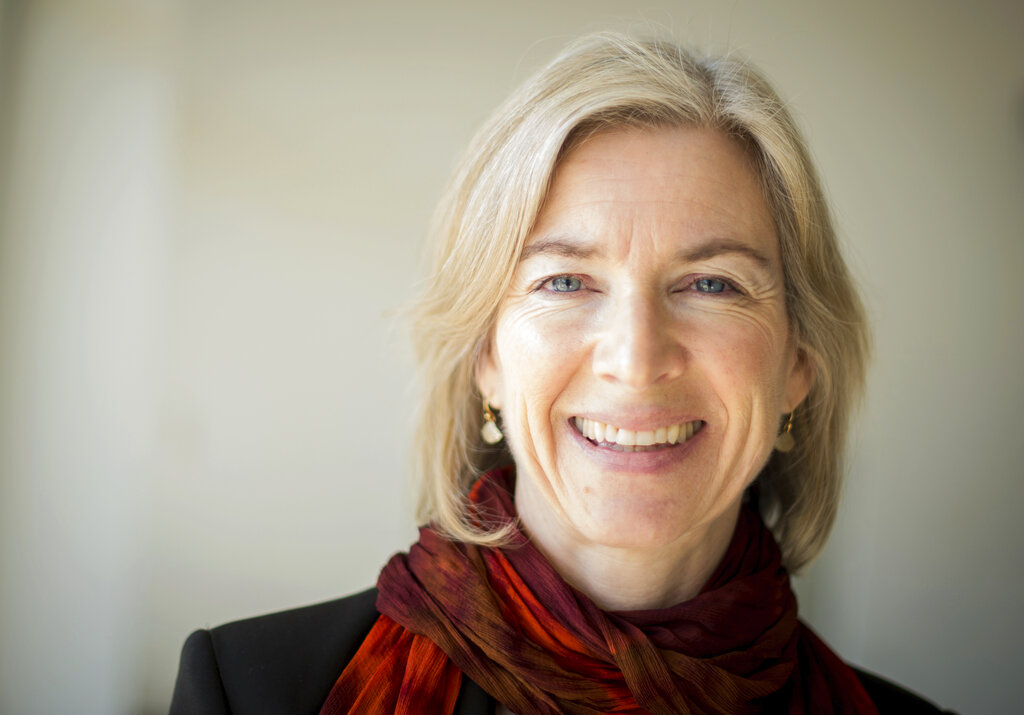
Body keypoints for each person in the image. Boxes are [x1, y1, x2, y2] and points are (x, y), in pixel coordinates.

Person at [170, 33, 952, 714]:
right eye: (566, 282)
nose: (637, 357)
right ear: (486, 358)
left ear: (798, 365)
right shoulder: (250, 691)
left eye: (711, 283)